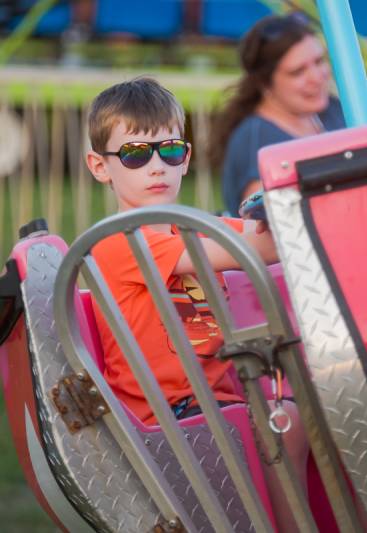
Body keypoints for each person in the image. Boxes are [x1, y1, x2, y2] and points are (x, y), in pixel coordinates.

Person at [84, 77, 279, 426]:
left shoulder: (190, 226)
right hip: (166, 418)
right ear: (100, 167)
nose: (157, 165)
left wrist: (278, 215)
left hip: (217, 402)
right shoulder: (118, 241)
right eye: (136, 154)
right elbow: (252, 247)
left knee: (304, 413)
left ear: (185, 157)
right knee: (285, 425)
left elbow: (251, 233)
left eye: (169, 149)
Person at [210, 12, 345, 216]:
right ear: (266, 84)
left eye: (318, 61)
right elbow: (267, 220)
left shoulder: (333, 110)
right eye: (298, 72)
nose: (317, 77)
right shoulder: (254, 140)